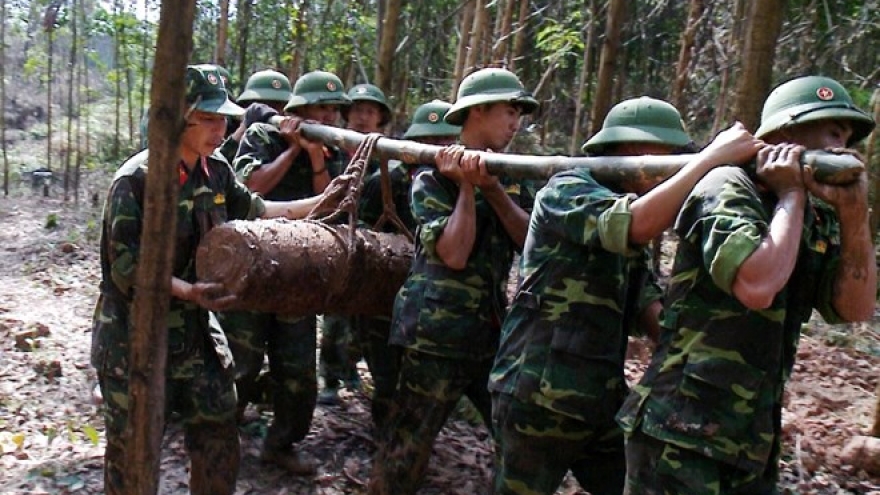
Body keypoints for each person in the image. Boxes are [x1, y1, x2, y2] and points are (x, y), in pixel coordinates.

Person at [488, 97, 763, 495]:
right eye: (670, 157)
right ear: (635, 150)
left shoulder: (634, 216)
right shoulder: (568, 188)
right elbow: (629, 225)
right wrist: (710, 159)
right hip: (537, 394)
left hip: (600, 400)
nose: (673, 170)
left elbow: (651, 309)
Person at [616, 76, 876, 494]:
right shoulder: (726, 186)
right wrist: (791, 193)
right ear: (786, 135)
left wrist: (854, 217)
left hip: (752, 437)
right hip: (680, 431)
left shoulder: (817, 213)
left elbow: (854, 309)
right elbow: (756, 285)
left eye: (847, 136)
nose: (842, 145)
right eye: (831, 130)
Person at [90, 64, 326, 495]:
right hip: (134, 338)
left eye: (224, 120)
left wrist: (323, 200)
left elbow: (257, 210)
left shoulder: (215, 170)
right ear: (180, 116)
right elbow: (128, 269)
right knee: (132, 453)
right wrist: (187, 291)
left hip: (196, 337)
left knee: (219, 432)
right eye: (210, 119)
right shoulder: (137, 180)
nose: (221, 130)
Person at [368, 68, 538, 495]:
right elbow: (454, 253)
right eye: (509, 110)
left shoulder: (512, 175)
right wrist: (465, 188)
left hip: (492, 328)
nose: (517, 122)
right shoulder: (431, 175)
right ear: (477, 111)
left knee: (518, 437)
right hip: (436, 332)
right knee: (408, 445)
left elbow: (529, 243)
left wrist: (493, 189)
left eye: (520, 113)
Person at [216, 70, 351, 475]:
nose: (329, 117)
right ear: (300, 110)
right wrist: (291, 150)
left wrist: (312, 155)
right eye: (321, 109)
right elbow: (249, 188)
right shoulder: (261, 136)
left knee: (297, 370)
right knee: (240, 361)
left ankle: (281, 444)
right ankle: (221, 438)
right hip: (252, 269)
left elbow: (331, 207)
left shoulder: (335, 152)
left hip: (301, 273)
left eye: (334, 110)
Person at [354, 99, 461, 433]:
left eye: (443, 141)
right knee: (385, 374)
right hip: (382, 298)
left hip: (433, 304)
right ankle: (385, 436)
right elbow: (360, 237)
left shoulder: (459, 183)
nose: (434, 148)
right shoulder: (384, 180)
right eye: (427, 141)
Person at [318, 82, 394, 406]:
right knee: (335, 313)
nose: (363, 117)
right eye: (357, 111)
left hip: (371, 244)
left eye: (370, 112)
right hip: (335, 241)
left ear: (380, 119)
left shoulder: (386, 158)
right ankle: (330, 378)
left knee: (365, 314)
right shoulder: (330, 150)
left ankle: (352, 370)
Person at [216, 69, 293, 162]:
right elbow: (214, 164)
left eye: (278, 105)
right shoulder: (228, 130)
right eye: (262, 104)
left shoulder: (293, 136)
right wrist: (242, 130)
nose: (267, 110)